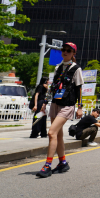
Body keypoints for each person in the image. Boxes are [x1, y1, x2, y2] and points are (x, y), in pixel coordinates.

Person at [36, 42, 84, 178]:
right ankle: (63, 162)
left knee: (51, 133)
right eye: (64, 50)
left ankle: (47, 165)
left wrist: (80, 107)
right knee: (58, 135)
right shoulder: (58, 67)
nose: (65, 52)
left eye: (69, 50)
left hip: (67, 105)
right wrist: (45, 102)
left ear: (74, 53)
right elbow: (53, 87)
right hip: (56, 103)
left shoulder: (76, 69)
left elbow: (79, 88)